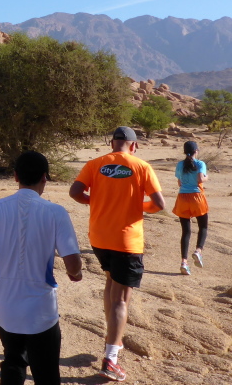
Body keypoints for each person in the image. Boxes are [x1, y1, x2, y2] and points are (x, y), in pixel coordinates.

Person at [0, 151, 82, 385]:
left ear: (15, 176)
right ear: (44, 178)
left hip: (5, 306)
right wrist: (76, 273)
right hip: (40, 310)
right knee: (46, 373)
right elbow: (73, 263)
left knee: (13, 364)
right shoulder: (55, 212)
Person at [69, 126, 165, 382]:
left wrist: (96, 200)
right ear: (134, 145)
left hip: (99, 238)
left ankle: (112, 337)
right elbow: (159, 204)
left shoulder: (95, 164)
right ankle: (110, 359)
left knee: (111, 282)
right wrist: (137, 205)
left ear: (112, 143)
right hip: (126, 241)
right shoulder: (141, 166)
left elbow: (75, 193)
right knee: (121, 299)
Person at [172, 140, 209, 275]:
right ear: (196, 151)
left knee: (186, 231)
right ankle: (198, 250)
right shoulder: (200, 164)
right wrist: (207, 177)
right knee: (203, 227)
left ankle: (184, 262)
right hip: (196, 197)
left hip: (182, 198)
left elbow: (179, 182)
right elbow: (200, 179)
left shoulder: (180, 164)